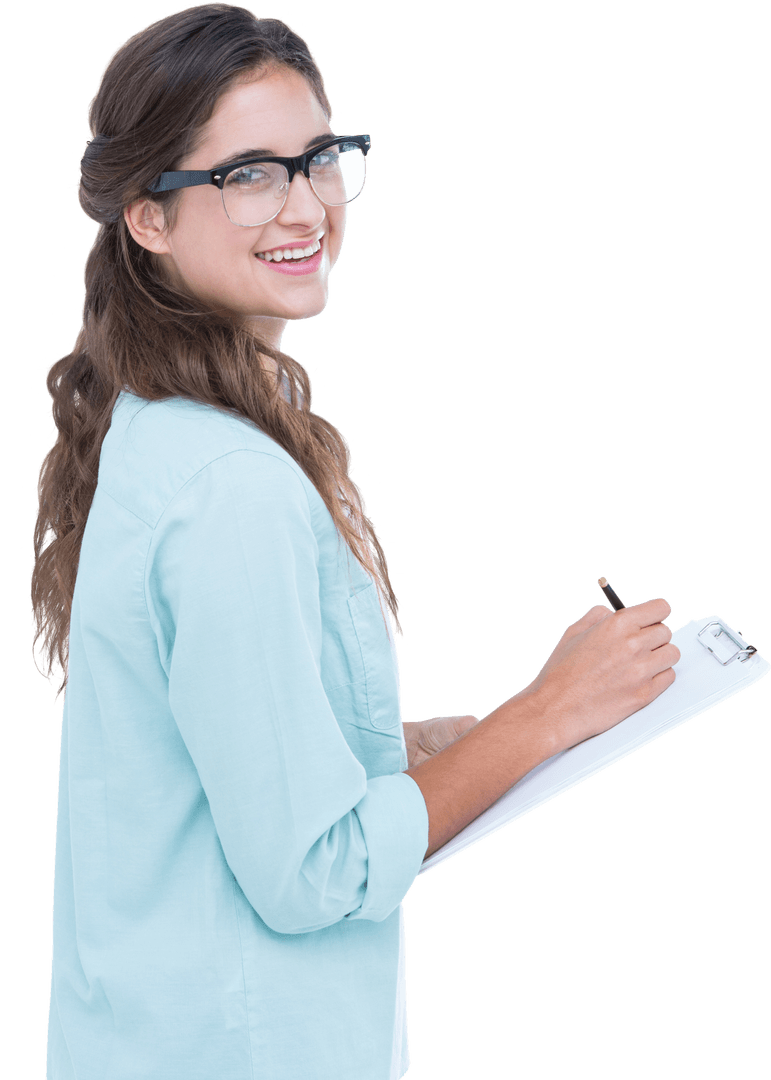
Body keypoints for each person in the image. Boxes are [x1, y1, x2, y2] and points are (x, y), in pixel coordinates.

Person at [30, 5, 680, 1079]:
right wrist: (548, 714)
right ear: (148, 217)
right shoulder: (229, 485)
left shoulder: (179, 436)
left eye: (318, 159)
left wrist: (427, 746)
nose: (305, 205)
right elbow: (314, 871)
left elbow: (224, 754)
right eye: (248, 174)